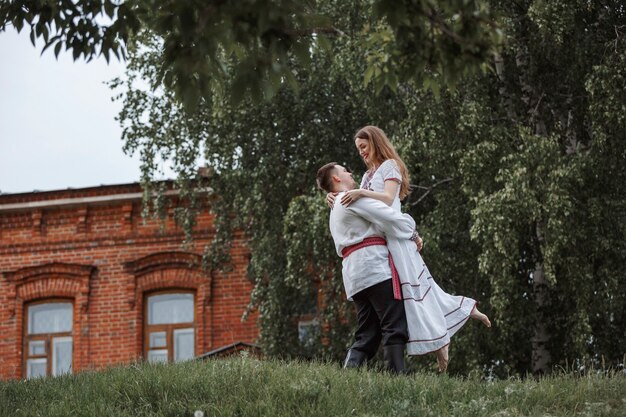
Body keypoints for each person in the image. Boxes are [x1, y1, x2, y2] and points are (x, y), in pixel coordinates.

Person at [327, 125, 491, 372]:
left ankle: (455, 324)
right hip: (387, 239)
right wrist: (336, 195)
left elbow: (386, 198)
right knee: (414, 297)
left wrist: (358, 193)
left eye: (364, 146)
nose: (361, 152)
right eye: (358, 148)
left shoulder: (390, 165)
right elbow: (359, 206)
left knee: (419, 291)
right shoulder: (365, 177)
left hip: (396, 235)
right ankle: (447, 335)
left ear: (376, 143)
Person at [316, 162, 422, 374]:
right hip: (374, 268)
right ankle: (397, 377)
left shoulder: (335, 205)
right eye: (345, 171)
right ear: (336, 178)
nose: (350, 172)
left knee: (368, 333)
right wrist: (413, 234)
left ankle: (348, 376)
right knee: (394, 325)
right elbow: (389, 217)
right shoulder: (351, 198)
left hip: (354, 276)